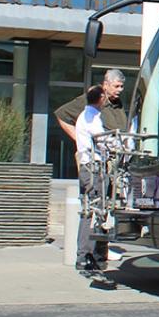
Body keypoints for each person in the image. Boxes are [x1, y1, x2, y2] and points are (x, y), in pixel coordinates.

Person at [57, 69, 127, 265]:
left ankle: (98, 253)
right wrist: (84, 145)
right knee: (93, 209)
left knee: (103, 210)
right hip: (95, 165)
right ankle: (86, 255)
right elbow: (63, 116)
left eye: (122, 86)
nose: (120, 90)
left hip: (106, 165)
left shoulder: (110, 107)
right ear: (103, 90)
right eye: (116, 86)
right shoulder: (91, 112)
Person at [74, 85, 108, 272]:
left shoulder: (84, 116)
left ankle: (86, 256)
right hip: (92, 169)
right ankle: (88, 256)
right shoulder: (92, 117)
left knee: (89, 211)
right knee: (94, 212)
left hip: (87, 168)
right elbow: (102, 141)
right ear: (101, 98)